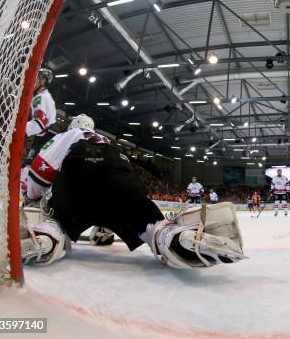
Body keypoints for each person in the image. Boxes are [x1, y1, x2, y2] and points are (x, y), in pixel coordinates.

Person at [20, 114, 244, 268]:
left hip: (79, 173)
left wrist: (32, 197)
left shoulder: (69, 135)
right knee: (149, 225)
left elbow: (41, 169)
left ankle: (47, 238)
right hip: (119, 171)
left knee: (58, 219)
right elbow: (119, 182)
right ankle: (174, 238)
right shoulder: (107, 141)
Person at [24, 68, 57, 166]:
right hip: (46, 136)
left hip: (45, 137)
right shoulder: (44, 96)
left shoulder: (41, 97)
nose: (34, 81)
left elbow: (40, 122)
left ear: (43, 81)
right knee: (28, 165)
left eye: (37, 79)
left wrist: (21, 130)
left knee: (28, 166)